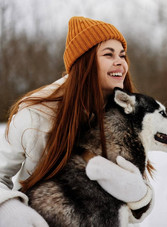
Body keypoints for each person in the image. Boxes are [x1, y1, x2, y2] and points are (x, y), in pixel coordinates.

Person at [0, 16, 153, 226]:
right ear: (85, 62)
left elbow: (133, 199)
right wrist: (9, 209)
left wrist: (141, 197)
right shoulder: (35, 115)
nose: (120, 62)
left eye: (122, 55)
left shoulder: (124, 116)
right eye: (109, 54)